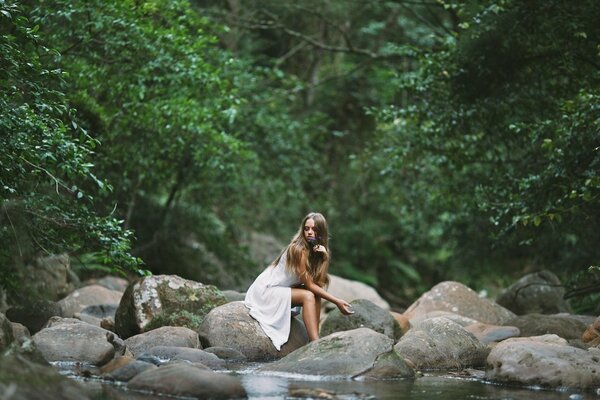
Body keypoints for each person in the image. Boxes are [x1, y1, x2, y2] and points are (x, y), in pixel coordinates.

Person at [244, 212, 354, 351]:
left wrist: (325, 259)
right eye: (306, 228)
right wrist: (337, 301)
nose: (309, 232)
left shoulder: (315, 251)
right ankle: (315, 344)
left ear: (321, 232)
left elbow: (318, 283)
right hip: (266, 290)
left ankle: (314, 338)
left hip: (279, 289)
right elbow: (309, 286)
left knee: (316, 294)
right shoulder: (299, 249)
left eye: (314, 229)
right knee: (308, 295)